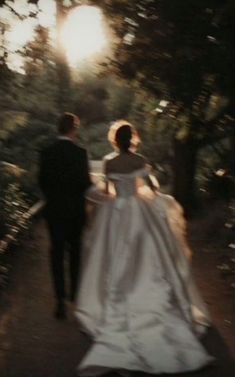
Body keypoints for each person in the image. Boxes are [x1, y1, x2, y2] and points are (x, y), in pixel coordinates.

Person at [75, 120, 214, 375]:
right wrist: (152, 196)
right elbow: (151, 188)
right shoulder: (140, 160)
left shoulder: (109, 162)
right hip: (140, 213)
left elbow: (107, 190)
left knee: (115, 259)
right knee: (152, 257)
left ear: (115, 140)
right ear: (133, 139)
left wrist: (107, 194)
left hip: (117, 214)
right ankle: (153, 302)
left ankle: (118, 304)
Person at [38, 112, 91, 319]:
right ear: (73, 129)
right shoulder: (80, 153)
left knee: (56, 254)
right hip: (75, 212)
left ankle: (60, 301)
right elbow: (85, 184)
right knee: (75, 253)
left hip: (54, 211)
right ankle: (75, 296)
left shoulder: (46, 152)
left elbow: (42, 181)